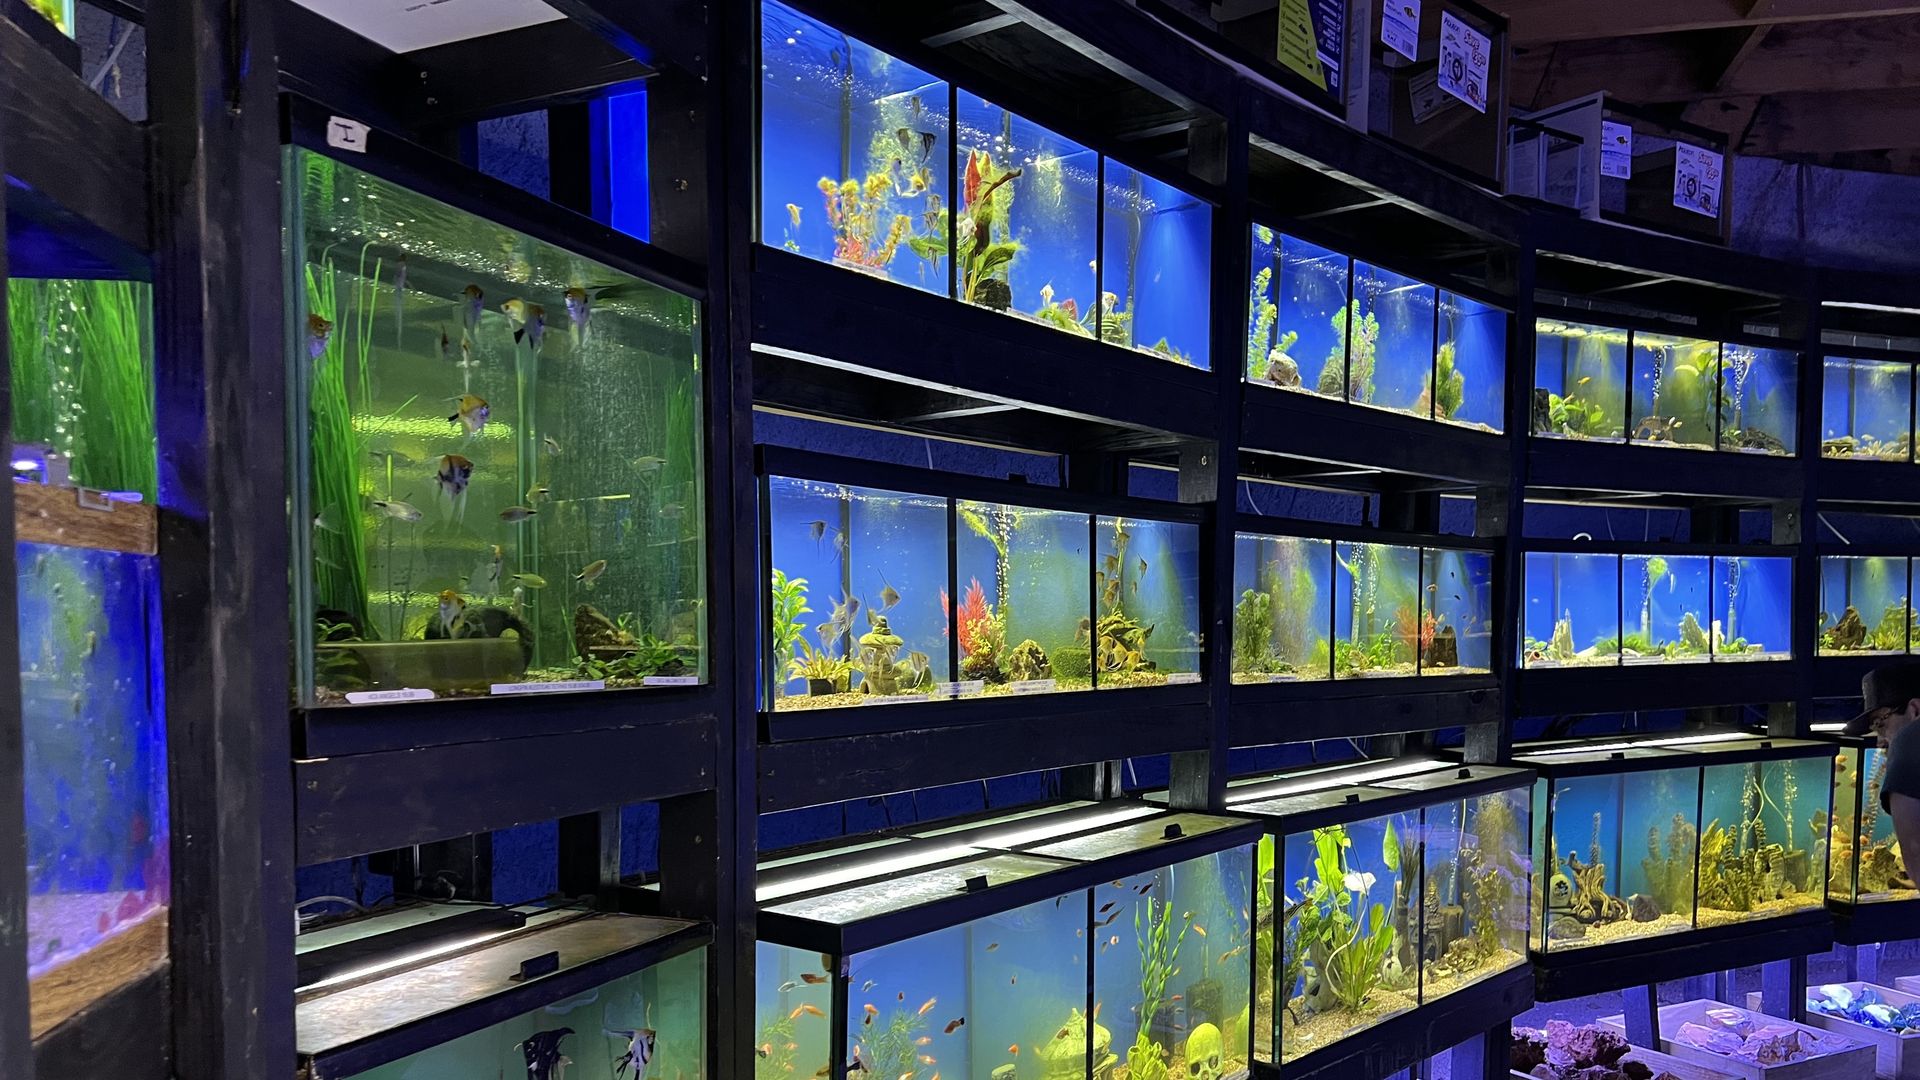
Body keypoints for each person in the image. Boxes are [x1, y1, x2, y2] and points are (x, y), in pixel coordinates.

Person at [1843, 660, 1920, 890]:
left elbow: (1916, 851)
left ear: (1915, 710)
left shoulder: (1909, 743)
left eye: (1881, 723)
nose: (1880, 740)